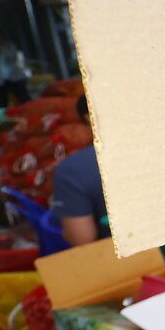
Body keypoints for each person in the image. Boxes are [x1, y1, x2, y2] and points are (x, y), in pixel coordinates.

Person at [50, 96, 107, 246]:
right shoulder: (163, 148)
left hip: (137, 259)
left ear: (89, 118)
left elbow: (82, 238)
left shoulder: (72, 170)